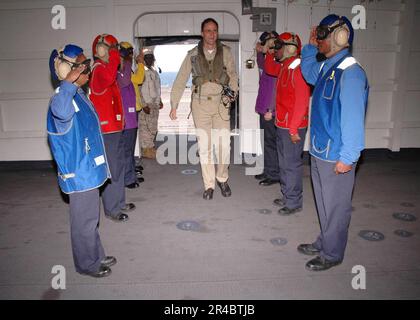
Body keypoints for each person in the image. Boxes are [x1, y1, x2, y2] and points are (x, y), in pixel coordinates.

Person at [299, 14, 369, 271]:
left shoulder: (350, 73)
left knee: (337, 207)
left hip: (336, 154)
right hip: (320, 150)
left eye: (322, 36)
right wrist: (309, 46)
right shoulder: (328, 66)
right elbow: (307, 73)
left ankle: (332, 253)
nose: (319, 40)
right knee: (325, 204)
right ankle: (324, 241)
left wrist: (348, 158)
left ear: (340, 37)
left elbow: (353, 119)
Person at [47, 44, 116, 277]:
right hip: (79, 173)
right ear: (68, 69)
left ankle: (95, 254)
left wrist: (72, 84)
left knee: (91, 218)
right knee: (84, 221)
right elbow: (61, 112)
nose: (88, 69)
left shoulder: (78, 95)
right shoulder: (62, 97)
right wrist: (67, 83)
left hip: (89, 169)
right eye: (83, 66)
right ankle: (87, 264)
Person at [170, 18, 239, 200]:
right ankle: (209, 185)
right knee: (205, 147)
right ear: (202, 33)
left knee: (224, 145)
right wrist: (174, 105)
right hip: (200, 105)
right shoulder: (192, 54)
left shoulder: (226, 52)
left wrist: (232, 94)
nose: (212, 34)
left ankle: (222, 178)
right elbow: (180, 79)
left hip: (221, 104)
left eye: (215, 30)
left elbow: (233, 75)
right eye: (208, 30)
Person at [90, 34, 136, 222]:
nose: (115, 52)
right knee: (112, 170)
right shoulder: (99, 70)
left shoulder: (106, 69)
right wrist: (116, 55)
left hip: (115, 127)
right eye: (112, 48)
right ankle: (112, 209)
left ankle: (119, 202)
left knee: (119, 166)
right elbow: (110, 78)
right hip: (107, 130)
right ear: (101, 50)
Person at [264, 32, 310, 215]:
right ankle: (287, 195)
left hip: (293, 127)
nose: (276, 50)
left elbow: (302, 101)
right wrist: (268, 52)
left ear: (290, 48)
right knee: (284, 164)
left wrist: (292, 129)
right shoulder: (284, 66)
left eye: (279, 46)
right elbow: (269, 69)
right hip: (282, 124)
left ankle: (293, 202)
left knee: (291, 165)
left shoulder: (298, 69)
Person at [254, 31, 280, 187]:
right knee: (266, 141)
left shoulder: (277, 62)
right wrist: (259, 52)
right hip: (263, 108)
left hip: (270, 110)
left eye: (269, 43)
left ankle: (274, 174)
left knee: (272, 142)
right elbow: (261, 66)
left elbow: (277, 88)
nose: (265, 46)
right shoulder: (267, 61)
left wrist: (272, 109)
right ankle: (268, 169)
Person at [117, 41, 142, 189]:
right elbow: (126, 81)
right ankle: (128, 179)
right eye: (128, 53)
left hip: (131, 115)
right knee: (126, 149)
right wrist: (127, 62)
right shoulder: (120, 70)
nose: (130, 56)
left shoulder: (126, 68)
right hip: (125, 116)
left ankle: (131, 174)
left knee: (130, 148)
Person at [139, 48, 163, 160]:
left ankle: (150, 148)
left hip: (154, 104)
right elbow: (138, 90)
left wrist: (159, 101)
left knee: (153, 128)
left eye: (150, 58)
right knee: (145, 128)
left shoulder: (154, 72)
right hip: (146, 105)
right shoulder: (141, 71)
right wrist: (143, 105)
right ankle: (146, 150)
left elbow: (158, 88)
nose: (149, 60)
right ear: (143, 60)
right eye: (146, 58)